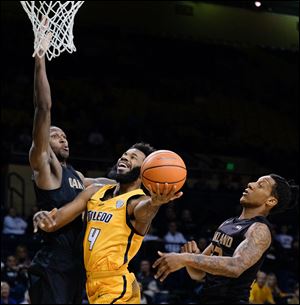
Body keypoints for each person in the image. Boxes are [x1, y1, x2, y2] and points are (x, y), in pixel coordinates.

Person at [34, 142, 183, 304]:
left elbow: (145, 211)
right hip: (92, 283)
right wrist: (42, 217)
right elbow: (53, 222)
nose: (125, 157)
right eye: (125, 154)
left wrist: (156, 203)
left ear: (144, 173)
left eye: (133, 157)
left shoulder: (138, 201)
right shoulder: (96, 190)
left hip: (116, 286)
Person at [28, 27, 115, 304]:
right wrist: (40, 59)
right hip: (53, 263)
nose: (63, 139)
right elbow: (43, 108)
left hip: (78, 264)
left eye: (65, 136)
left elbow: (104, 184)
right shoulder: (44, 164)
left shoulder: (76, 175)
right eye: (55, 135)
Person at [153, 174, 299, 304]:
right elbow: (198, 274)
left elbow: (235, 266)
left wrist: (186, 258)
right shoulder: (228, 223)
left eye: (260, 185)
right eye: (255, 181)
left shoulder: (259, 229)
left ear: (271, 201)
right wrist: (193, 260)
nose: (251, 184)